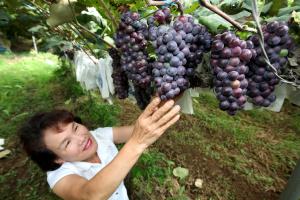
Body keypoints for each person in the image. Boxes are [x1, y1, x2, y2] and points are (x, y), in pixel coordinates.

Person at [19, 97, 181, 200]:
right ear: (57, 158)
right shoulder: (59, 176)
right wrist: (137, 143)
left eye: (75, 128)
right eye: (67, 143)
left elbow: (137, 131)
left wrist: (165, 104)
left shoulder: (99, 135)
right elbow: (90, 195)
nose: (81, 138)